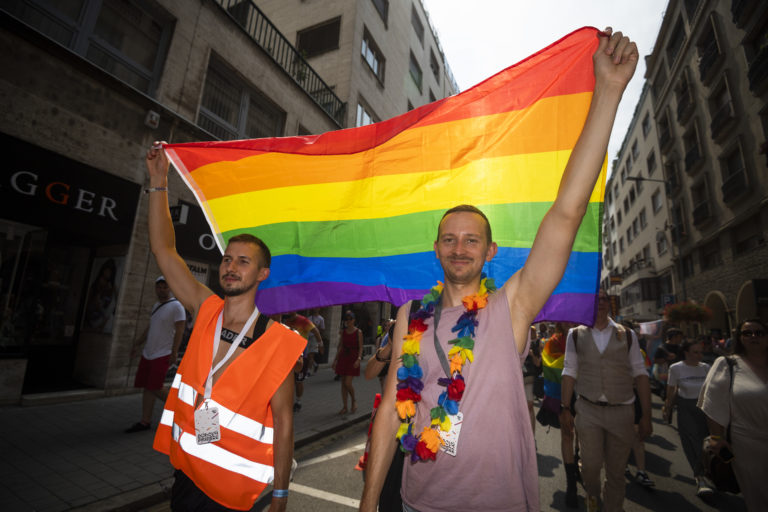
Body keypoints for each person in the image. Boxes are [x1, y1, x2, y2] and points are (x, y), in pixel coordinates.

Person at [360, 28, 639, 512]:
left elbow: (566, 212)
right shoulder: (410, 315)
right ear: (437, 249)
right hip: (416, 500)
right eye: (450, 239)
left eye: (472, 240)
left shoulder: (510, 307)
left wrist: (608, 92)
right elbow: (390, 411)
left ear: (491, 252)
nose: (460, 247)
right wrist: (367, 505)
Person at [145, 143, 306, 512]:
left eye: (244, 262)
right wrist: (158, 181)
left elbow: (284, 424)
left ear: (262, 274)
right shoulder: (205, 309)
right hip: (187, 475)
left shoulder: (278, 342)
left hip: (236, 494)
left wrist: (280, 495)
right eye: (228, 259)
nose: (231, 267)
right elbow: (163, 251)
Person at [560, 289, 652, 512]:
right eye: (594, 299)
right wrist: (565, 408)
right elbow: (569, 371)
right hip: (588, 408)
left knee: (616, 471)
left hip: (622, 411)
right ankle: (592, 494)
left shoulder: (627, 335)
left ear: (609, 303)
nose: (599, 303)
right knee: (590, 466)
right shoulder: (575, 334)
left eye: (603, 299)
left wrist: (647, 416)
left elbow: (640, 375)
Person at [698, 319, 768, 511]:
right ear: (739, 338)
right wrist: (717, 438)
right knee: (760, 499)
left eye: (759, 332)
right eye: (747, 333)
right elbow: (713, 403)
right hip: (748, 444)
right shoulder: (727, 364)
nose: (754, 336)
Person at [125, 276, 186, 433]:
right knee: (148, 387)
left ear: (170, 288)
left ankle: (184, 410)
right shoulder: (156, 306)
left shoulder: (177, 306)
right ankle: (145, 421)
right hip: (148, 353)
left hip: (163, 353)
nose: (162, 290)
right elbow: (150, 327)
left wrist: (174, 351)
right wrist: (138, 343)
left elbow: (180, 330)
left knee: (156, 387)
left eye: (165, 287)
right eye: (159, 287)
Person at [664, 339, 713, 500]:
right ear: (686, 352)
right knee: (692, 442)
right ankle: (700, 478)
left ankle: (710, 473)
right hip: (686, 408)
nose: (700, 355)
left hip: (705, 409)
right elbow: (671, 390)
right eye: (695, 352)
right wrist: (668, 408)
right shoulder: (676, 368)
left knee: (708, 443)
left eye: (701, 352)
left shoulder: (706, 368)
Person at [283, 311, 323, 412]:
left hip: (300, 356)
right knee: (287, 381)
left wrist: (320, 345)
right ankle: (286, 402)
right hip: (286, 355)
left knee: (298, 381)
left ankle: (298, 401)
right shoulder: (285, 320)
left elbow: (316, 331)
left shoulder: (303, 321)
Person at [332, 309, 363, 414]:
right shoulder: (343, 332)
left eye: (350, 319)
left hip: (353, 358)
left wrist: (359, 359)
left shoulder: (358, 332)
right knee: (343, 384)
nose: (348, 321)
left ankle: (354, 400)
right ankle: (345, 406)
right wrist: (335, 360)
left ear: (354, 320)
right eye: (347, 319)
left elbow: (361, 348)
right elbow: (340, 346)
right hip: (343, 357)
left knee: (347, 383)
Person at [523, 325, 542, 434]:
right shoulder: (516, 342)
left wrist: (530, 354)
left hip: (529, 379)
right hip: (517, 379)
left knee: (529, 406)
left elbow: (538, 363)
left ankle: (531, 436)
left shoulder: (535, 345)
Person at [307, 308, 326, 373]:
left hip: (314, 338)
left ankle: (309, 371)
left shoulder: (321, 319)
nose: (315, 309)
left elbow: (323, 329)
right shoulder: (309, 318)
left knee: (311, 355)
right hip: (308, 337)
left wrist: (316, 328)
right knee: (308, 354)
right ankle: (315, 364)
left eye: (317, 308)